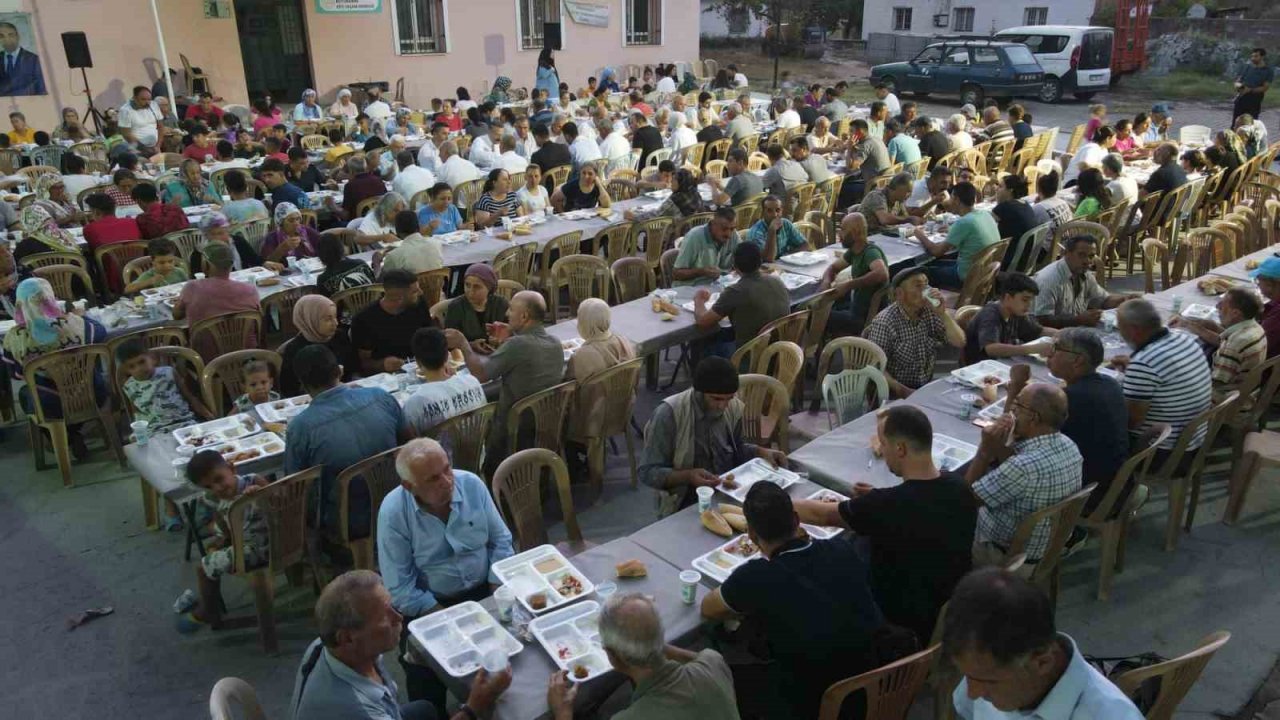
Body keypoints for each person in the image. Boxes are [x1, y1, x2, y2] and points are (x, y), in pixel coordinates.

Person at [794, 405, 977, 642]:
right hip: (947, 602)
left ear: (900, 448)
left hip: (897, 620)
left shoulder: (887, 505)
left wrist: (769, 505)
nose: (881, 450)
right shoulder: (959, 486)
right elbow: (917, 503)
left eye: (883, 443)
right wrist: (876, 496)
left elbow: (821, 516)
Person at [701, 481, 884, 717]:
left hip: (814, 703)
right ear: (797, 521)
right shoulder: (841, 548)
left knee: (720, 677)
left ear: (752, 535)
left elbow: (708, 608)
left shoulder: (755, 577)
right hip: (872, 684)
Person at [377, 437, 514, 712]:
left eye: (447, 469)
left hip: (484, 590)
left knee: (514, 654)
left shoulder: (472, 484)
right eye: (432, 479)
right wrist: (452, 619)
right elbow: (400, 590)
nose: (447, 481)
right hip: (432, 605)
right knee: (425, 685)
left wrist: (493, 592)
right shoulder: (394, 513)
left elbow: (501, 541)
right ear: (409, 486)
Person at [292, 570, 511, 720]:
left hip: (386, 710)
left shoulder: (324, 645)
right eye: (384, 618)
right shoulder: (360, 711)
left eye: (392, 607)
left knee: (425, 709)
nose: (399, 618)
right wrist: (473, 708)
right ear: (347, 638)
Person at [946, 568, 1146, 719]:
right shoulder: (984, 667)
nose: (972, 693)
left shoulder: (1111, 714)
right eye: (968, 676)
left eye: (988, 681)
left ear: (1043, 662)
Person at [548, 593, 740, 720]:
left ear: (611, 655)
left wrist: (562, 713)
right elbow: (700, 659)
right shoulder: (714, 662)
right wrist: (650, 640)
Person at [286, 343, 408, 540]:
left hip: (346, 522)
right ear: (339, 371)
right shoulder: (380, 396)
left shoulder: (301, 427)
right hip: (398, 500)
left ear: (302, 384)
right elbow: (409, 443)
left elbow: (295, 489)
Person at [639, 356, 787, 513]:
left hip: (729, 491)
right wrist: (688, 476)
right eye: (716, 399)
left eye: (728, 399)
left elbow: (737, 449)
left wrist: (761, 452)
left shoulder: (734, 407)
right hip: (686, 499)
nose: (722, 406)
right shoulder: (669, 414)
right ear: (699, 392)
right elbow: (648, 472)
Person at [964, 383, 1082, 565]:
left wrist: (984, 451)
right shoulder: (1070, 445)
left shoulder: (1021, 468)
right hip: (1049, 545)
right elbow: (1016, 470)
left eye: (1018, 405)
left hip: (1007, 555)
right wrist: (1002, 444)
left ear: (1033, 418)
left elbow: (967, 501)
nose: (1012, 409)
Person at [444, 290, 564, 469]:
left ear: (524, 316)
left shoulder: (517, 345)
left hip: (514, 424)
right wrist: (512, 335)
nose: (507, 314)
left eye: (511, 309)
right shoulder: (555, 342)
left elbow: (480, 375)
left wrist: (463, 343)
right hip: (545, 419)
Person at [2, 279, 108, 458]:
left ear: (20, 304)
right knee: (92, 373)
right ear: (51, 298)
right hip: (92, 393)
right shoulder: (75, 323)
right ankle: (76, 430)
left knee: (26, 393)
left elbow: (16, 374)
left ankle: (64, 437)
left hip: (49, 405)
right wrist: (79, 314)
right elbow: (101, 332)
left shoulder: (14, 337)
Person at [1040, 328, 1132, 517]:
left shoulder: (1073, 399)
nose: (1048, 353)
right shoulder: (1109, 382)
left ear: (1078, 360)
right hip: (1117, 482)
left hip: (1090, 493)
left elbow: (1025, 437)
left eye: (1056, 349)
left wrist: (1017, 389)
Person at [174, 451, 269, 632]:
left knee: (203, 568)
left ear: (231, 468)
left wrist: (261, 493)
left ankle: (208, 610)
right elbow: (220, 517)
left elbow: (281, 499)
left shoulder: (252, 481)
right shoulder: (212, 497)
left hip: (264, 546)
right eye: (208, 486)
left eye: (219, 479)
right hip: (243, 542)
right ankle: (209, 605)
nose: (217, 488)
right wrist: (225, 539)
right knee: (212, 550)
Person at [863, 267, 965, 397]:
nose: (926, 291)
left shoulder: (929, 312)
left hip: (923, 387)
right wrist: (901, 390)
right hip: (894, 392)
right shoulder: (885, 322)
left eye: (926, 285)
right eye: (918, 286)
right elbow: (875, 366)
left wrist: (942, 314)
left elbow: (959, 342)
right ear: (899, 294)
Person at [1171, 287, 1267, 404]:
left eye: (1222, 304)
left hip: (1228, 405)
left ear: (1235, 313)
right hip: (1245, 391)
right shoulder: (1254, 327)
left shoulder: (1235, 344)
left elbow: (1217, 382)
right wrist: (1188, 324)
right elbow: (1222, 340)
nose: (1217, 307)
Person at [693, 242, 789, 353]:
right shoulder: (777, 281)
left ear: (735, 266)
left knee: (700, 344)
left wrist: (698, 300)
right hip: (780, 350)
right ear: (760, 261)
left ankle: (701, 370)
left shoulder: (736, 291)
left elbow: (702, 322)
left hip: (750, 356)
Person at [171, 242, 260, 359]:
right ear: (231, 264)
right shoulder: (250, 290)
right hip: (247, 355)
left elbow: (176, 315)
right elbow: (258, 320)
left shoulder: (192, 287)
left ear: (206, 265)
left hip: (207, 359)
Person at [1033, 235, 1133, 329]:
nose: (1087, 261)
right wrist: (1078, 320)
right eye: (1081, 255)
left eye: (1091, 256)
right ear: (1066, 253)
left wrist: (1124, 300)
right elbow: (1041, 319)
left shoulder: (1085, 274)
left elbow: (1103, 300)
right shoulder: (1049, 279)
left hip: (1075, 330)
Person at [399, 328, 486, 435]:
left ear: (417, 362)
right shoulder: (472, 381)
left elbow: (411, 440)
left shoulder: (414, 404)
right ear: (447, 355)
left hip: (437, 451)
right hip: (478, 450)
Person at [347, 269, 432, 375]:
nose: (421, 292)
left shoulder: (418, 304)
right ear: (398, 298)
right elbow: (362, 364)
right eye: (415, 291)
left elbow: (430, 334)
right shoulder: (364, 320)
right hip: (387, 376)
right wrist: (381, 365)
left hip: (421, 366)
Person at [820, 212, 890, 337]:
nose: (839, 234)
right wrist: (826, 281)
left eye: (843, 229)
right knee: (828, 304)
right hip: (856, 305)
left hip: (865, 317)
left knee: (815, 315)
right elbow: (833, 267)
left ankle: (819, 353)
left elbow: (881, 273)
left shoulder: (870, 252)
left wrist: (848, 285)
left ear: (856, 233)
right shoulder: (854, 251)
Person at [919, 182, 1000, 291]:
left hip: (967, 276)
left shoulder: (964, 222)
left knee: (921, 272)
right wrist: (952, 230)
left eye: (951, 198)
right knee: (933, 262)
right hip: (984, 272)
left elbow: (936, 251)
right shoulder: (985, 214)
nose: (949, 202)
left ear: (957, 200)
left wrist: (920, 235)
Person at [963, 273, 1054, 364]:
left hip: (1001, 363)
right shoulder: (990, 314)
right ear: (1008, 298)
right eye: (1025, 300)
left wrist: (1062, 335)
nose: (1029, 304)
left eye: (1031, 300)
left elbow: (1038, 331)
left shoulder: (1017, 312)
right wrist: (1030, 349)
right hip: (979, 367)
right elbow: (991, 348)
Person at [277, 295, 354, 398]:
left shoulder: (340, 337)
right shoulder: (295, 349)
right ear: (310, 320)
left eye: (335, 317)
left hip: (346, 392)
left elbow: (354, 367)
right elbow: (289, 390)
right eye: (328, 319)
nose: (335, 323)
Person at [672, 207, 741, 287]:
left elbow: (742, 257)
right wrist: (701, 272)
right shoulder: (694, 237)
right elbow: (676, 274)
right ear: (713, 224)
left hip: (718, 286)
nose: (729, 234)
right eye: (724, 229)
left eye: (732, 229)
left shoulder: (733, 235)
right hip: (691, 288)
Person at [841, 118, 892, 205]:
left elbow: (850, 167)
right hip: (884, 180)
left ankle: (846, 212)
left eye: (851, 131)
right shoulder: (876, 139)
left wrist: (849, 148)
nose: (849, 134)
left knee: (843, 187)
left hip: (872, 185)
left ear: (859, 132)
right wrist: (853, 147)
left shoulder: (866, 145)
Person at [991, 175, 1038, 267]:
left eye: (1000, 186)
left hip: (1009, 261)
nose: (996, 189)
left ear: (1010, 190)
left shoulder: (1004, 207)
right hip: (1024, 258)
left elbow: (985, 224)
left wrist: (998, 200)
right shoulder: (1025, 204)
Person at [745, 195, 809, 262]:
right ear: (763, 212)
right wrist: (772, 231)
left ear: (781, 211)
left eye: (777, 210)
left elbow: (805, 244)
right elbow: (769, 259)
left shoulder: (786, 224)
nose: (775, 214)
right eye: (769, 211)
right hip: (765, 268)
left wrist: (787, 256)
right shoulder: (756, 232)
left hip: (783, 265)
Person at [118, 86, 163, 154]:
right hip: (135, 147)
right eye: (143, 99)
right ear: (135, 98)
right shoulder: (125, 110)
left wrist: (158, 146)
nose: (147, 102)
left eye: (149, 99)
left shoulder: (154, 105)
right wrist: (144, 149)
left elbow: (161, 127)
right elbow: (126, 134)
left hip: (154, 147)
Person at [1234, 48, 1273, 122]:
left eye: (1256, 56)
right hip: (1241, 99)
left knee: (1250, 125)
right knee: (1236, 123)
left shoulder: (1268, 71)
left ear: (1262, 57)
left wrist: (1250, 90)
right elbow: (1237, 81)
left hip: (1254, 101)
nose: (1253, 58)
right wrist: (1240, 87)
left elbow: (1265, 88)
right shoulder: (1247, 67)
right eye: (1252, 56)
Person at [1251, 258, 1280, 357]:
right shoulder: (1274, 305)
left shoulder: (1277, 315)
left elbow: (1252, 348)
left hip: (1268, 367)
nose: (1258, 284)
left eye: (1258, 281)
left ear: (1269, 285)